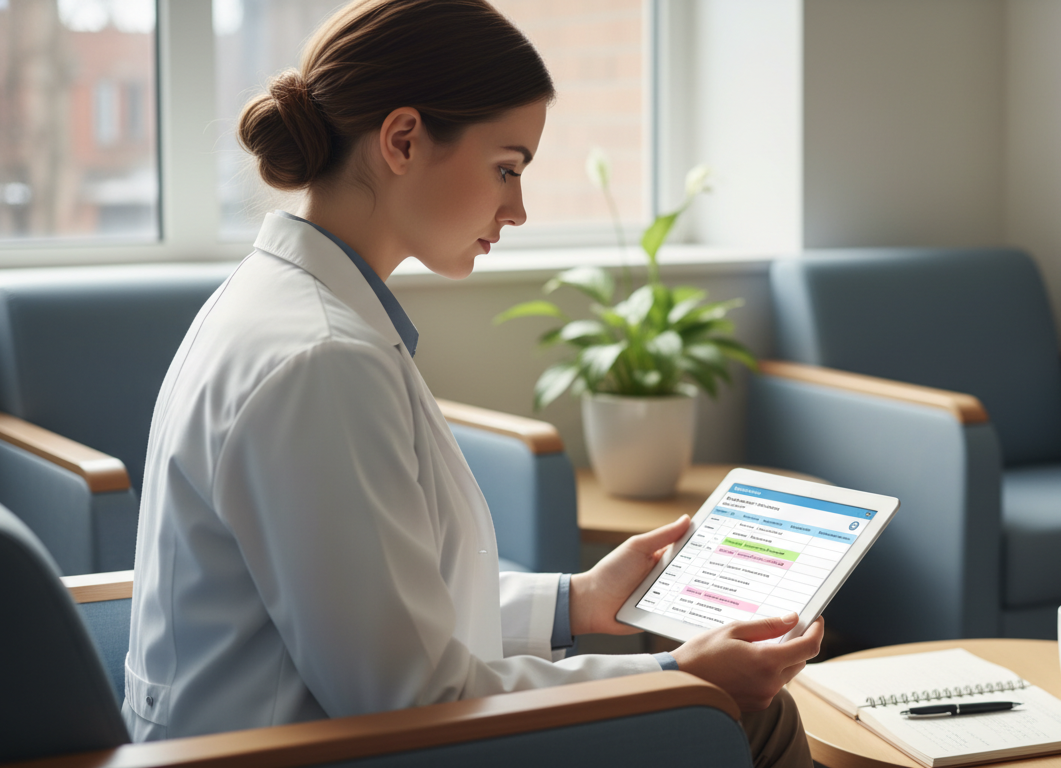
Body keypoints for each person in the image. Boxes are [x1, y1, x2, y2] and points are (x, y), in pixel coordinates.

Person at [121, 1, 821, 765]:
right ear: (403, 140)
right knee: (747, 720)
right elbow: (411, 699)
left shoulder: (282, 306)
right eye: (507, 168)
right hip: (290, 752)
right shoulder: (322, 361)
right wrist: (675, 679)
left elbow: (380, 613)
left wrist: (579, 601)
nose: (517, 209)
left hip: (286, 732)